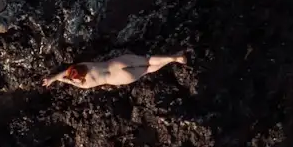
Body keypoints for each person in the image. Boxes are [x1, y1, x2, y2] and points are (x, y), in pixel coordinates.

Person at [42, 53, 187, 89]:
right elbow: (66, 73)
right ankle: (174, 57)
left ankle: (173, 61)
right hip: (115, 64)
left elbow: (66, 78)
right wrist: (53, 77)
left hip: (118, 78)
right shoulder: (85, 65)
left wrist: (53, 79)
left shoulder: (84, 84)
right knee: (147, 60)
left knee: (147, 70)